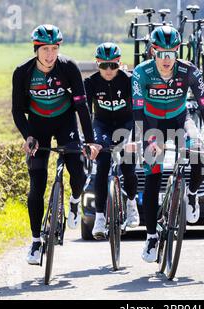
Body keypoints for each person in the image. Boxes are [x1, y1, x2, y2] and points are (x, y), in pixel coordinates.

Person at [132, 26, 204, 263]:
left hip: (181, 119)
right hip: (151, 124)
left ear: (177, 52)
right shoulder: (141, 73)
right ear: (153, 52)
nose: (166, 60)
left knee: (198, 153)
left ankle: (192, 195)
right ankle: (151, 236)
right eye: (161, 54)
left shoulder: (189, 71)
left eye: (171, 54)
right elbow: (137, 112)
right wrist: (149, 141)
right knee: (152, 177)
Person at [12, 24, 100, 265]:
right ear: (36, 49)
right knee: (36, 185)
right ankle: (35, 242)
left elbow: (82, 106)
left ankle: (73, 202)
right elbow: (18, 111)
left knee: (78, 171)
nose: (50, 54)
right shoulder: (23, 73)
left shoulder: (68, 68)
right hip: (37, 127)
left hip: (65, 122)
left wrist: (90, 141)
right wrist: (28, 137)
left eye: (54, 48)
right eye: (45, 49)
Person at [84, 42, 140, 239]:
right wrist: (90, 140)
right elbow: (85, 112)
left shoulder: (130, 81)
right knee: (102, 165)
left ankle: (132, 204)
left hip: (126, 124)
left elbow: (139, 111)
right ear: (97, 64)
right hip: (102, 125)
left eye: (113, 66)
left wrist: (135, 138)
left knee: (128, 166)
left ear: (119, 64)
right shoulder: (90, 83)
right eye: (103, 65)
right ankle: (99, 217)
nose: (108, 70)